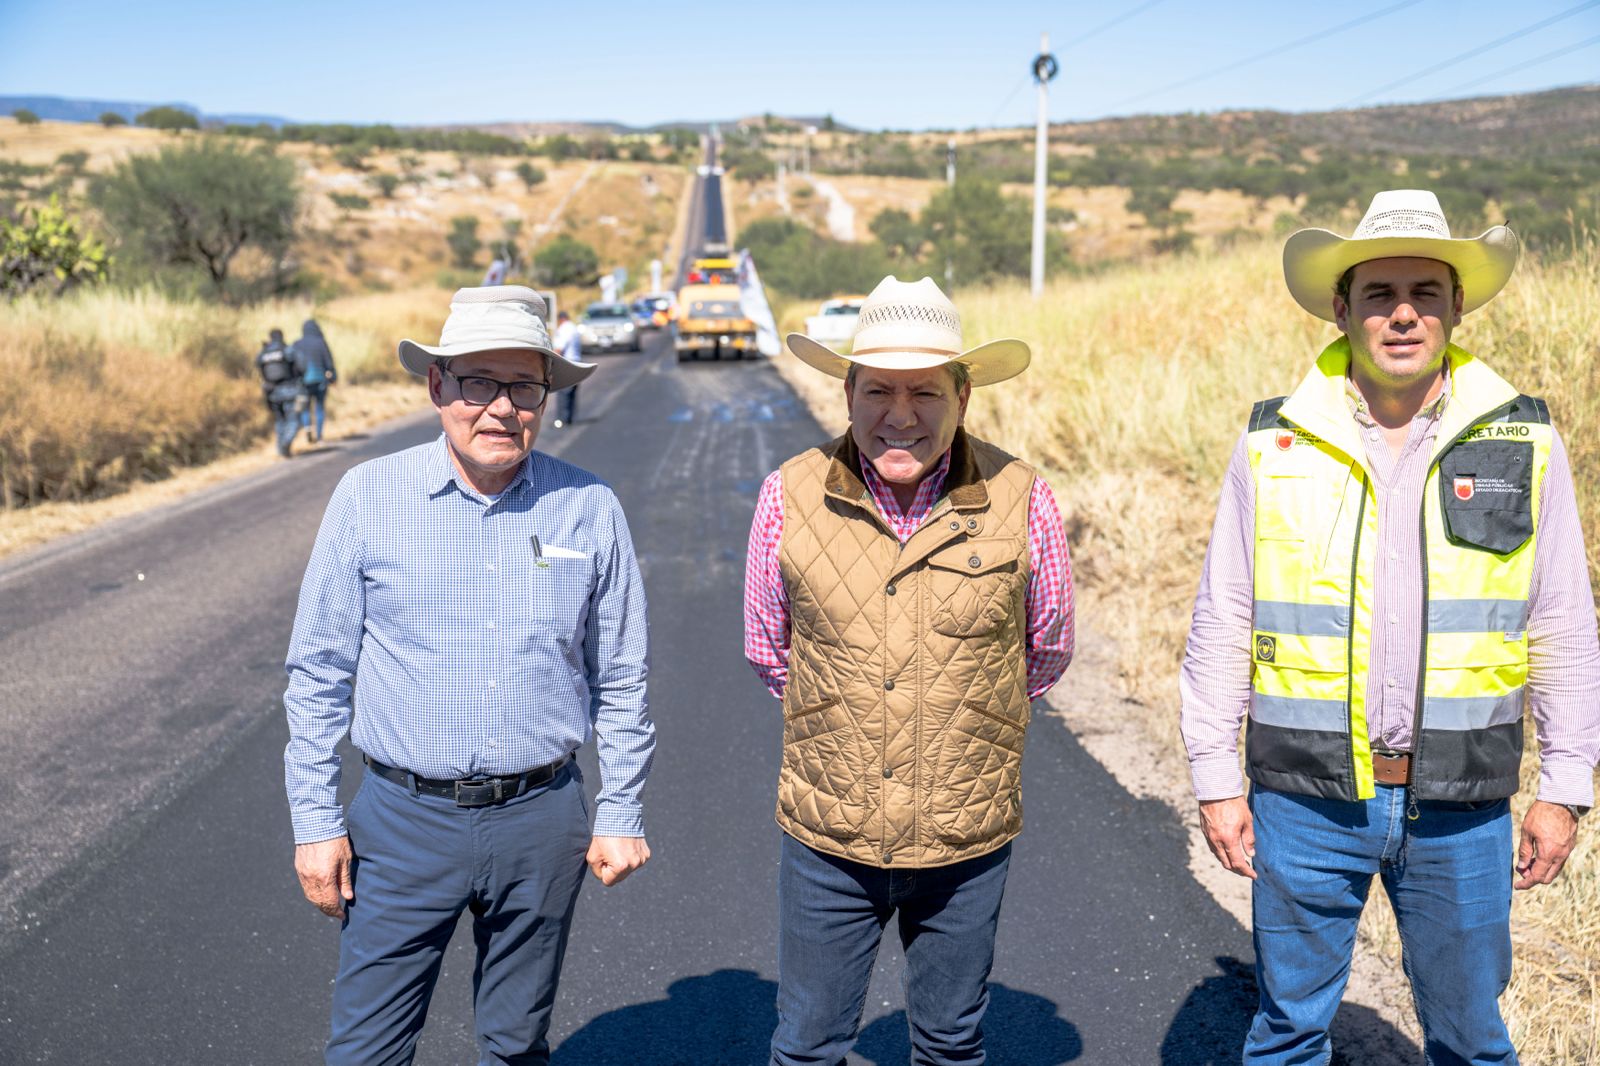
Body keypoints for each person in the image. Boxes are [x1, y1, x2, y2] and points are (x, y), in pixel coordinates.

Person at [1179, 189, 1600, 1063]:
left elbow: (1561, 620)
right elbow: (1224, 617)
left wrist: (1564, 786)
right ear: (1343, 308)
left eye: (1425, 293)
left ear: (1455, 307)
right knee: (1289, 1032)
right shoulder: (1273, 443)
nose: (1403, 314)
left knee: (1473, 1041)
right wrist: (1217, 779)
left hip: (1464, 803)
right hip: (1305, 797)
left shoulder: (1523, 441)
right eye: (1379, 294)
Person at [283, 285, 654, 1065]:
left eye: (523, 385)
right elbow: (317, 671)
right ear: (437, 387)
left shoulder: (588, 507)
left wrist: (619, 807)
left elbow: (622, 674)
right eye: (477, 383)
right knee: (366, 1050)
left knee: (517, 1045)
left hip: (542, 822)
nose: (501, 408)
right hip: (401, 823)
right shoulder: (368, 498)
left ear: (546, 396)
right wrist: (316, 822)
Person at [744, 276, 1075, 1065]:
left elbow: (1046, 648)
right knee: (806, 1045)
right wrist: (857, 719)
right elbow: (769, 650)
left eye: (925, 391)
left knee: (952, 1044)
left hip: (966, 841)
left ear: (963, 395)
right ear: (847, 391)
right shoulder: (786, 494)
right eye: (879, 390)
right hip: (829, 838)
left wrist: (956, 719)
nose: (900, 414)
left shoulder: (1023, 498)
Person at [255, 327, 304, 458]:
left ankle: (281, 449)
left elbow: (258, 368)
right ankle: (285, 444)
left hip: (271, 393)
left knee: (280, 420)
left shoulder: (263, 353)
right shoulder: (287, 350)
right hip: (290, 391)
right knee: (294, 420)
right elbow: (302, 366)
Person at [294, 318, 338, 444]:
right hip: (320, 380)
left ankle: (307, 427)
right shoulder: (320, 342)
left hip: (303, 382)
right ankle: (319, 437)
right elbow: (329, 362)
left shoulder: (297, 344)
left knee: (305, 408)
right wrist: (333, 377)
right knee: (319, 408)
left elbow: (293, 364)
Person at [551, 310, 582, 428]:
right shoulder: (574, 328)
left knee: (563, 393)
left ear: (560, 319)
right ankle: (570, 418)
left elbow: (559, 347)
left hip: (567, 363)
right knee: (572, 393)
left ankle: (561, 419)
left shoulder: (564, 329)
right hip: (577, 361)